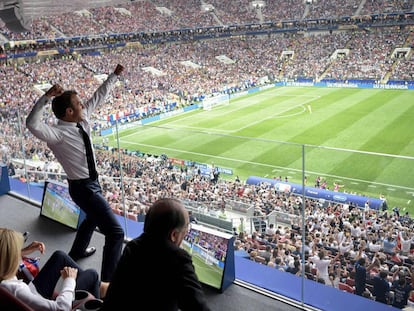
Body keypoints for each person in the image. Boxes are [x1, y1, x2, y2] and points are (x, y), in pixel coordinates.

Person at [26, 64, 125, 282]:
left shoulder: (82, 119)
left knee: (92, 218)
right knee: (116, 233)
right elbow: (31, 123)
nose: (84, 105)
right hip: (82, 188)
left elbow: (99, 97)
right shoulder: (57, 134)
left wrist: (114, 76)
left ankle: (77, 251)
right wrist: (45, 97)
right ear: (69, 112)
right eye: (79, 104)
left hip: (91, 184)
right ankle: (109, 285)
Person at [101, 198, 211, 311]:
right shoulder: (178, 259)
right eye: (186, 227)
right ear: (173, 235)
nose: (186, 232)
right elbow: (197, 306)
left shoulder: (133, 247)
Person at [0, 228, 108, 311]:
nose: (20, 257)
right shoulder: (15, 289)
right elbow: (61, 308)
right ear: (10, 258)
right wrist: (70, 280)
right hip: (50, 304)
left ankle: (99, 287)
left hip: (32, 293)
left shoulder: (4, 278)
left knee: (59, 256)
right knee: (92, 274)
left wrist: (25, 251)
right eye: (16, 252)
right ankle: (100, 291)